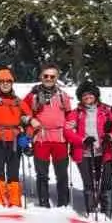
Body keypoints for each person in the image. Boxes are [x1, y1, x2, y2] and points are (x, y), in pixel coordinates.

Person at [68, 82, 112, 218]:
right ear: (80, 97)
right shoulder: (76, 113)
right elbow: (67, 130)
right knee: (89, 182)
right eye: (84, 95)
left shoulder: (106, 110)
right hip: (84, 152)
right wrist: (82, 140)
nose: (88, 97)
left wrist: (111, 135)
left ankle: (106, 210)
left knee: (105, 181)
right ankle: (91, 210)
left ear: (96, 95)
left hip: (104, 150)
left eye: (90, 94)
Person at [26, 63, 76, 207]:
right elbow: (23, 112)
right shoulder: (32, 95)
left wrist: (71, 124)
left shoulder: (62, 96)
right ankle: (43, 201)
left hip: (59, 139)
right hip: (41, 138)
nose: (48, 78)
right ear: (41, 76)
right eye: (46, 76)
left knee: (61, 173)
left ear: (56, 78)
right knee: (42, 173)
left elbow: (69, 114)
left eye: (52, 76)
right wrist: (30, 120)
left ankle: (63, 202)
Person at [0, 68, 30, 207]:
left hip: (15, 140)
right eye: (2, 81)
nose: (5, 84)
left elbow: (30, 120)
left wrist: (26, 137)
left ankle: (14, 201)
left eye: (8, 81)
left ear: (12, 83)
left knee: (13, 171)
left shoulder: (19, 102)